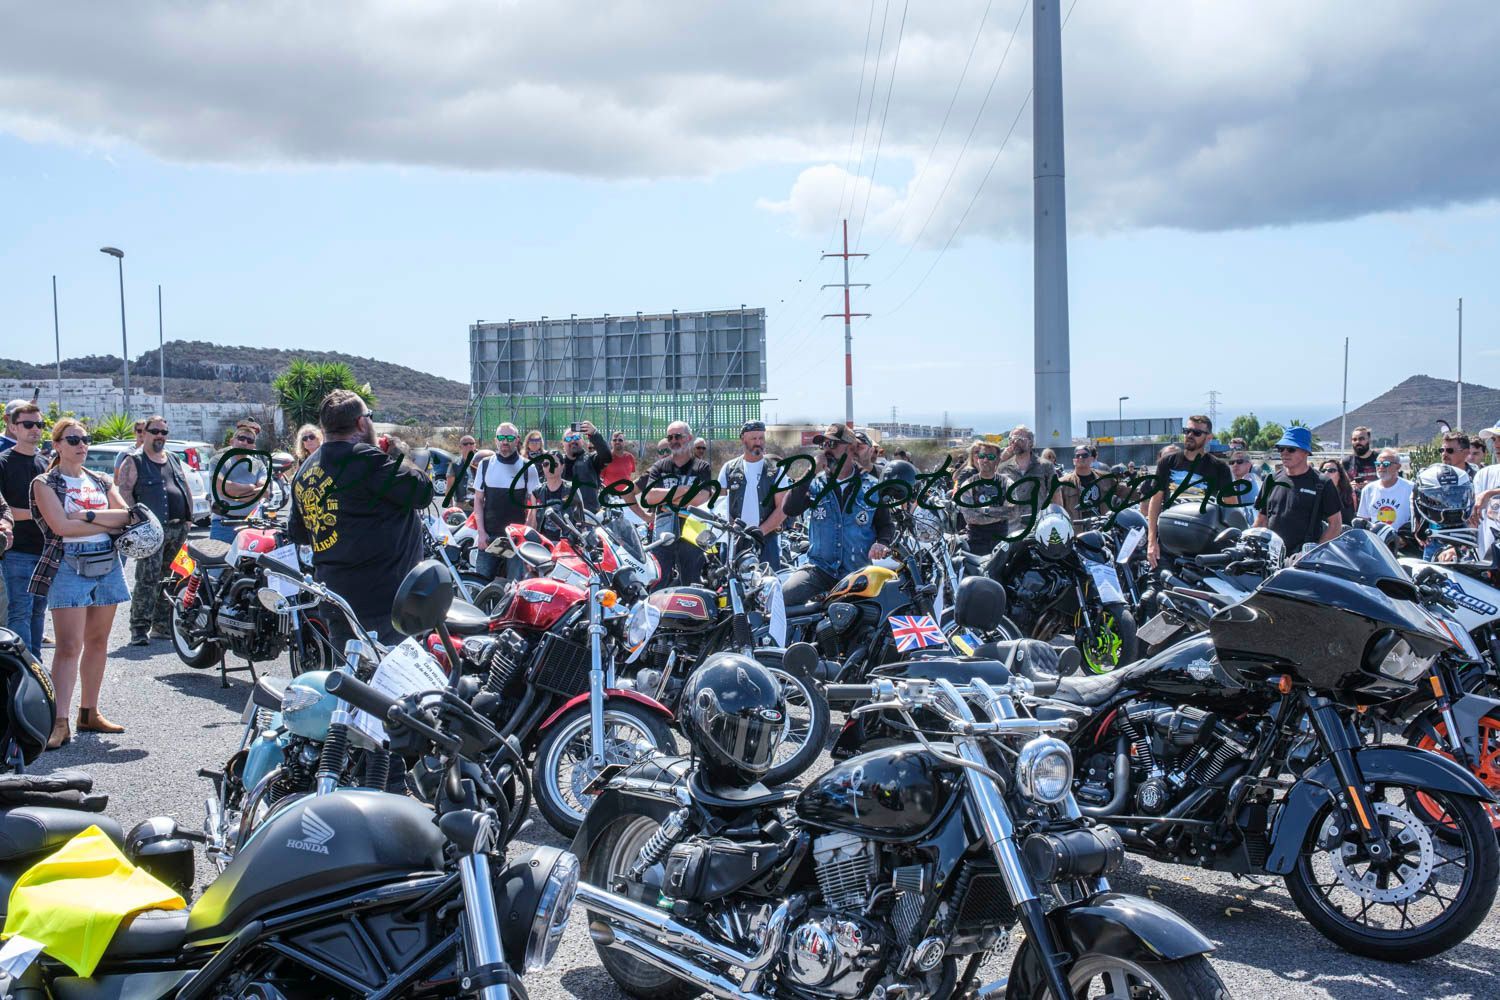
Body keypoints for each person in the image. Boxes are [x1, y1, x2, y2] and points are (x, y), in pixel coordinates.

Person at [288, 390, 434, 646]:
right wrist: (399, 455)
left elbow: (299, 533)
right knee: (393, 683)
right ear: (361, 422)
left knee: (350, 678)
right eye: (370, 416)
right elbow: (422, 491)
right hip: (384, 604)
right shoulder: (369, 461)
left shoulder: (305, 470)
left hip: (335, 600)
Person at [29, 418, 134, 748]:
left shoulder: (101, 481)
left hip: (106, 562)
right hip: (67, 566)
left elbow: (128, 517)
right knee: (69, 646)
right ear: (57, 444)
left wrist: (84, 516)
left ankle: (89, 712)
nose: (81, 444)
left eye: (85, 439)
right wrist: (102, 522)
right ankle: (59, 721)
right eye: (73, 439)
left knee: (99, 641)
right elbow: (60, 527)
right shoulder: (45, 483)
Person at [780, 423, 893, 605]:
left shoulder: (872, 486)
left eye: (832, 444)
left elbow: (885, 525)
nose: (826, 449)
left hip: (857, 573)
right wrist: (811, 471)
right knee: (785, 595)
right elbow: (789, 509)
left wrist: (881, 543)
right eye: (823, 444)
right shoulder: (815, 484)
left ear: (850, 448)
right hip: (819, 570)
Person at [112, 414, 193, 646]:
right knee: (147, 578)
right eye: (155, 431)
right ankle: (139, 627)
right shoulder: (134, 460)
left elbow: (183, 486)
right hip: (150, 531)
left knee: (171, 578)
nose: (160, 436)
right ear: (144, 433)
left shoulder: (174, 459)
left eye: (164, 432)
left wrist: (189, 518)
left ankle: (161, 625)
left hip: (178, 529)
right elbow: (124, 491)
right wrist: (136, 518)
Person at [1146, 415, 1235, 568]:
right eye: (1187, 431)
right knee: (1155, 589)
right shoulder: (1167, 463)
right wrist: (1151, 541)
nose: (1190, 435)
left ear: (1208, 438)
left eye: (1196, 433)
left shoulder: (1220, 468)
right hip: (1168, 540)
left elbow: (1230, 509)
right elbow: (1155, 502)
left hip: (1203, 546)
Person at [0, 401, 49, 658]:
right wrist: (42, 512)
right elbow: (4, 509)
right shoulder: (3, 463)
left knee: (39, 611)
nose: (35, 430)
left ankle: (37, 665)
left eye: (39, 424)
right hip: (16, 551)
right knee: (20, 610)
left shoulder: (46, 463)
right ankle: (24, 669)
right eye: (28, 424)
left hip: (47, 551)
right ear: (12, 427)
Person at [638, 420, 713, 586]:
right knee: (658, 582)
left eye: (678, 436)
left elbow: (703, 497)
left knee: (691, 583)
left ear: (689, 438)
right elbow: (650, 497)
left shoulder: (701, 467)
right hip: (663, 535)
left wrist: (666, 498)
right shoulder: (659, 467)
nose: (673, 440)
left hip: (692, 534)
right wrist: (685, 490)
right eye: (670, 437)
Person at [1254, 426, 1342, 552]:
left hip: (1302, 563)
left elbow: (1335, 525)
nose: (1284, 453)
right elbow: (1261, 519)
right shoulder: (1271, 480)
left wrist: (1314, 553)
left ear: (1306, 452)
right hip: (1271, 558)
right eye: (1281, 448)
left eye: (1290, 449)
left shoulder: (1322, 483)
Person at [472, 422, 540, 582]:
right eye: (501, 437)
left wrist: (527, 534)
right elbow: (478, 500)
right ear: (496, 440)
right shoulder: (485, 464)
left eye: (509, 437)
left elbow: (535, 505)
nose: (505, 442)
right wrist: (481, 533)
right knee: (480, 583)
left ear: (517, 440)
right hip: (489, 536)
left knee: (515, 587)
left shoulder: (527, 467)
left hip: (515, 539)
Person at [716, 421, 786, 569]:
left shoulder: (776, 470)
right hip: (734, 541)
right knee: (731, 587)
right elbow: (720, 505)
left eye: (761, 438)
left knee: (768, 586)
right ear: (743, 439)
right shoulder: (728, 469)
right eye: (754, 439)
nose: (758, 443)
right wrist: (736, 530)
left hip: (767, 542)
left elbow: (782, 509)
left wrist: (759, 532)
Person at [996, 425, 1057, 542]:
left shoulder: (1046, 466)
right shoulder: (1002, 468)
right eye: (1012, 439)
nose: (1015, 442)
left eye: (1019, 439)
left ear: (1030, 442)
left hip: (1039, 527)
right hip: (1012, 529)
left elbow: (1056, 496)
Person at [209, 421, 268, 543]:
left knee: (252, 562)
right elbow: (222, 488)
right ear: (232, 441)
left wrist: (233, 495)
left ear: (253, 446)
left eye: (250, 441)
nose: (245, 442)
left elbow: (265, 492)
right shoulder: (217, 461)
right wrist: (252, 487)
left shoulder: (259, 465)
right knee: (220, 561)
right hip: (223, 525)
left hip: (252, 525)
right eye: (241, 438)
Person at [952, 441, 1006, 554]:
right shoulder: (969, 472)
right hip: (976, 533)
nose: (981, 456)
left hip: (997, 535)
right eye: (978, 453)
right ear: (972, 456)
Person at [1057, 445, 1127, 524]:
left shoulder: (1106, 479)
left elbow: (1126, 492)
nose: (1081, 458)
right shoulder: (1063, 483)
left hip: (1101, 529)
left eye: (1084, 455)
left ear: (1091, 459)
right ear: (1074, 460)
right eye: (1078, 456)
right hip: (1077, 531)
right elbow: (1056, 509)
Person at [1357, 449, 1414, 532]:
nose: (1381, 467)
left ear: (1398, 467)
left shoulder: (1410, 488)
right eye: (1378, 464)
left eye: (1386, 464)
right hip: (1376, 542)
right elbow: (1363, 520)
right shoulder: (1368, 489)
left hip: (1402, 541)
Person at [561, 420, 612, 512]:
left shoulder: (591, 459)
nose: (573, 441)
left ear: (583, 441)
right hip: (563, 516)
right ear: (563, 445)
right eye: (568, 439)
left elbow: (607, 457)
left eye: (576, 437)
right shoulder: (557, 463)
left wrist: (594, 434)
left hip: (589, 515)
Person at [532, 451, 583, 542]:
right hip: (544, 544)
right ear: (542, 467)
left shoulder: (572, 490)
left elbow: (581, 521)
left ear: (562, 466)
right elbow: (533, 521)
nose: (550, 468)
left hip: (567, 544)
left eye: (554, 464)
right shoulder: (536, 492)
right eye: (546, 464)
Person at [1471, 425, 1500, 563]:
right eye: (1494, 439)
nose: (1497, 445)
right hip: (1488, 566)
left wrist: (1491, 493)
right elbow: (1474, 522)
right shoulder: (1484, 475)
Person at [1318, 458, 1358, 527]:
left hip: (1346, 535)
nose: (1326, 473)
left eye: (1331, 470)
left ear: (1340, 474)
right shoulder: (1316, 494)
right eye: (1323, 471)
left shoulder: (1352, 494)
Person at [444, 433, 478, 509]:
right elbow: (449, 487)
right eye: (465, 444)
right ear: (460, 447)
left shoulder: (482, 462)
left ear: (475, 446)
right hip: (462, 506)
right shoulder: (454, 464)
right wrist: (450, 507)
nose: (469, 446)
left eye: (472, 443)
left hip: (480, 505)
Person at [1342, 426, 1379, 490]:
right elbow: (1340, 484)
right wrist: (1349, 486)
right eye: (1354, 439)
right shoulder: (1346, 462)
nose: (1357, 442)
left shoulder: (1380, 459)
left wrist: (1371, 485)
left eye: (1361, 439)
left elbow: (1391, 481)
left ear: (1369, 440)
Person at [1227, 449, 1260, 515]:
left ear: (1248, 465)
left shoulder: (1256, 483)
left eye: (1239, 461)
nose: (1235, 465)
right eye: (1232, 462)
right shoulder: (1227, 485)